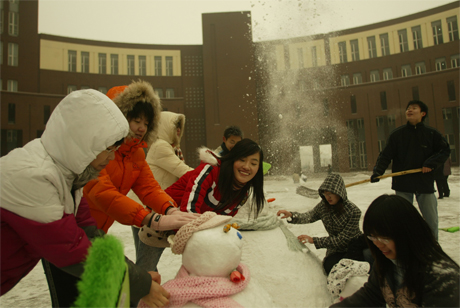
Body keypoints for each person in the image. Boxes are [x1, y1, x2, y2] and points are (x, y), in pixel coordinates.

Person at [0, 89, 170, 307]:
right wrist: (140, 283)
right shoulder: (35, 176)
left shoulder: (69, 177)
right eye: (108, 149)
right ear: (83, 140)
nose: (110, 158)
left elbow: (88, 232)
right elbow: (71, 249)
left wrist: (136, 275)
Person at [83, 81, 198, 273]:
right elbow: (102, 192)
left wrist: (169, 209)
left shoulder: (135, 153)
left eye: (146, 123)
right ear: (118, 117)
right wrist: (152, 219)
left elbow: (149, 187)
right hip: (68, 229)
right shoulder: (98, 149)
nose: (142, 128)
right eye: (136, 121)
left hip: (97, 230)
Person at [331, 194, 460, 307]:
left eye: (384, 238)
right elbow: (371, 296)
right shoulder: (386, 263)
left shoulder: (441, 278)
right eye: (373, 237)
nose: (378, 244)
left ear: (406, 234)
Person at [370, 100, 451, 240]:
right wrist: (378, 172)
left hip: (424, 183)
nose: (409, 110)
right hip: (403, 183)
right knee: (402, 221)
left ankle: (432, 250)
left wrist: (430, 163)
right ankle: (405, 249)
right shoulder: (397, 135)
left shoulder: (431, 134)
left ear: (423, 113)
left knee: (431, 220)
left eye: (414, 108)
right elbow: (385, 155)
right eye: (408, 108)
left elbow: (445, 150)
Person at [127, 110, 194, 270]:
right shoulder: (160, 146)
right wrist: (208, 173)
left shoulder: (171, 148)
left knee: (145, 259)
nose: (178, 131)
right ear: (165, 127)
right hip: (147, 207)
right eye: (174, 127)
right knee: (147, 260)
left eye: (180, 127)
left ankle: (144, 287)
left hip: (150, 206)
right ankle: (143, 288)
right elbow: (184, 172)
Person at [277, 173, 363, 275]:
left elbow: (343, 240)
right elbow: (309, 216)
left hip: (355, 249)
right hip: (335, 251)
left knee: (351, 269)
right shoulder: (324, 206)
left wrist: (314, 240)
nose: (328, 197)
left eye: (331, 193)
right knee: (330, 267)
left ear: (339, 193)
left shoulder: (353, 211)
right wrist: (291, 215)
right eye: (325, 193)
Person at [166, 138, 265, 219]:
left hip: (179, 229)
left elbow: (219, 220)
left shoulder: (242, 193)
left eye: (253, 163)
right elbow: (188, 212)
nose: (247, 167)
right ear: (232, 159)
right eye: (242, 160)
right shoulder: (211, 171)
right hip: (161, 219)